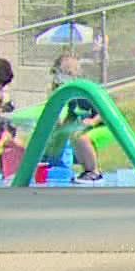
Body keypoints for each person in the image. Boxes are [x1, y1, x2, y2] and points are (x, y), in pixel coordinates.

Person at [42, 53, 105, 183]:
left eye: (64, 72)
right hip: (90, 125)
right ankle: (82, 169)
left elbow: (104, 112)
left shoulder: (86, 90)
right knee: (71, 134)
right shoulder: (71, 92)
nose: (59, 77)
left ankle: (94, 171)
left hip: (106, 125)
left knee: (80, 137)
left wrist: (93, 121)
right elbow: (72, 114)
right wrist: (62, 127)